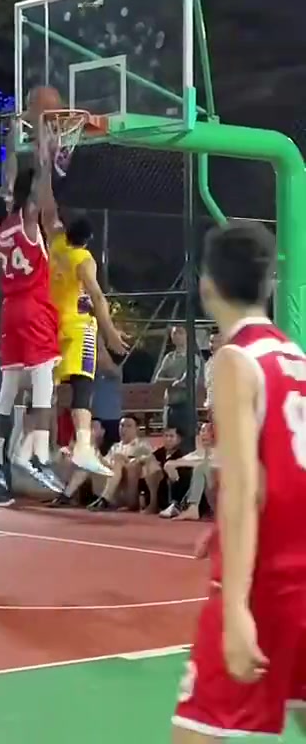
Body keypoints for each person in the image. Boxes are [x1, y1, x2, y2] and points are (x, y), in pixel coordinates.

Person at [172, 221, 306, 742]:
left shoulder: (235, 361)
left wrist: (234, 611)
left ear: (207, 285)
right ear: (268, 285)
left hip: (265, 586)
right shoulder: (294, 357)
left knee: (196, 732)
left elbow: (246, 489)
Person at [0, 152, 64, 500]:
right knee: (43, 383)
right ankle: (40, 455)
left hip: (9, 311)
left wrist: (13, 143)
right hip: (33, 306)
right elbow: (34, 196)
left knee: (9, 388)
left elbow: (11, 183)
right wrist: (45, 160)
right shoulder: (27, 222)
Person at [39, 154, 128, 474]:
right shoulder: (83, 259)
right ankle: (83, 446)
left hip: (51, 324)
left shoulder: (55, 242)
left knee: (47, 388)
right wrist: (110, 332)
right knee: (82, 386)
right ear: (88, 240)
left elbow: (47, 209)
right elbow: (98, 296)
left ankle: (42, 445)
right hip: (77, 327)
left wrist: (45, 169)